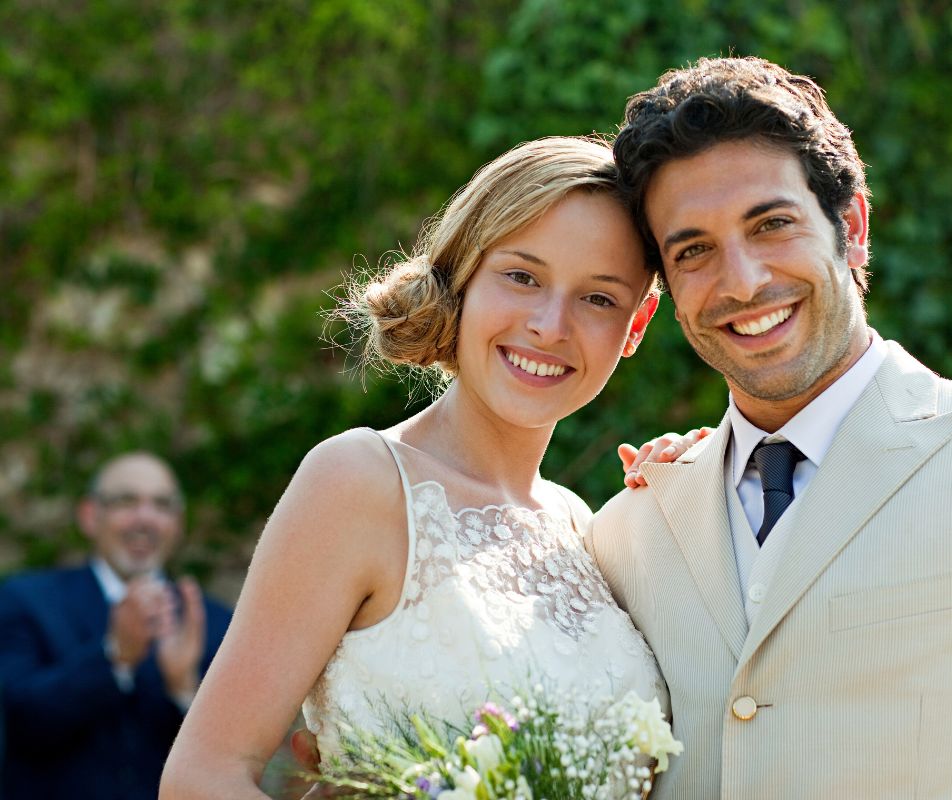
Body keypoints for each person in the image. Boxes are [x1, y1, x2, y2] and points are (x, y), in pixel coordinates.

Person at [588, 56, 952, 798]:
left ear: (851, 226)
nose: (742, 282)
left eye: (771, 224)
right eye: (694, 251)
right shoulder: (628, 531)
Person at [161, 137, 685, 798]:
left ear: (636, 325)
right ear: (462, 276)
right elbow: (202, 776)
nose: (551, 326)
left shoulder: (582, 525)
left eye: (599, 299)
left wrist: (691, 486)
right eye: (522, 277)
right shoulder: (359, 482)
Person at [0, 452, 232, 800]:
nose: (145, 518)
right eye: (126, 501)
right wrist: (115, 655)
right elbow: (22, 722)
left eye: (162, 505)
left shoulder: (213, 622)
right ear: (90, 516)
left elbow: (226, 765)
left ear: (178, 523)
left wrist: (183, 689)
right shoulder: (28, 600)